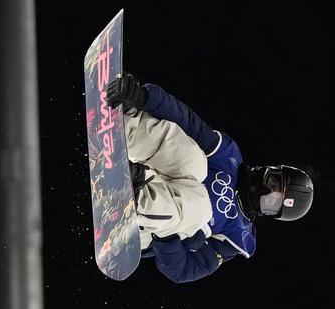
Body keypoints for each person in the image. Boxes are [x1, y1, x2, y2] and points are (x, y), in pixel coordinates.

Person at [104, 74, 314, 283]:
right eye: (273, 183)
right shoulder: (228, 157)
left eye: (272, 201)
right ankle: (126, 129)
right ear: (268, 170)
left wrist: (170, 238)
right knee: (194, 161)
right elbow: (186, 122)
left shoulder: (238, 236)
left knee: (201, 208)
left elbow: (184, 271)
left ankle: (135, 197)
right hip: (144, 172)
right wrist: (142, 97)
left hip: (145, 226)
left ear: (270, 214)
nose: (265, 193)